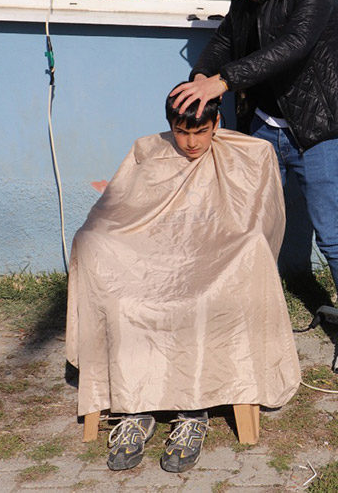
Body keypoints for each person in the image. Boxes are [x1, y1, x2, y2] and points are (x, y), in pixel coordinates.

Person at [168, 0, 338, 373]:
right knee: (252, 228)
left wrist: (223, 81)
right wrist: (200, 78)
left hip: (315, 128)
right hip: (263, 127)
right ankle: (250, 320)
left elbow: (292, 48)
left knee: (330, 233)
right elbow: (226, 38)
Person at [65, 88, 300, 473]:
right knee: (117, 287)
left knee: (200, 299)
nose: (191, 143)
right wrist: (95, 239)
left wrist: (231, 251)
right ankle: (134, 411)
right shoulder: (148, 150)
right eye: (181, 132)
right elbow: (116, 209)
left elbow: (260, 220)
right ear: (170, 126)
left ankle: (194, 414)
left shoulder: (249, 154)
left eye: (202, 132)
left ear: (217, 123)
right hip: (149, 263)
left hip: (218, 265)